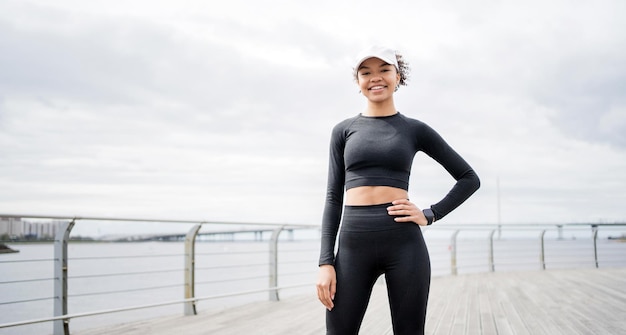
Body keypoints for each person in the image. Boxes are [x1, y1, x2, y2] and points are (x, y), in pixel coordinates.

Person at [316, 45, 480, 335]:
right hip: (353, 246)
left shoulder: (413, 129)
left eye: (384, 70)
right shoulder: (343, 130)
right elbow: (332, 198)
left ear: (397, 76)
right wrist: (325, 262)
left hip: (404, 244)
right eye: (365, 72)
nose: (375, 78)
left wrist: (430, 214)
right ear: (358, 82)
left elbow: (468, 178)